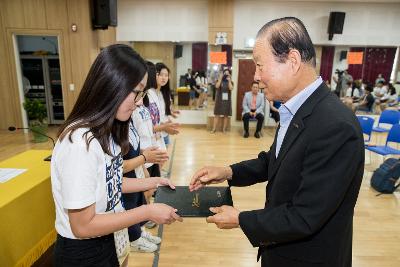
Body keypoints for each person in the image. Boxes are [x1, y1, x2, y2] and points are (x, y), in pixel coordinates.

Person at [190, 17, 364, 267]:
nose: (257, 76)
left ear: (292, 61)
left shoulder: (335, 126)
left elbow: (306, 216)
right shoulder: (299, 109)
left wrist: (241, 219)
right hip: (280, 249)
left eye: (260, 66)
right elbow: (276, 161)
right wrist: (228, 172)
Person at [51, 44, 182, 267]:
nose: (139, 101)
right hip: (83, 252)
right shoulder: (80, 143)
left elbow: (110, 183)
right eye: (136, 92)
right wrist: (147, 211)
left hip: (105, 238)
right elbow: (82, 226)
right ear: (113, 85)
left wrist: (152, 181)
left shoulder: (106, 131)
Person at [212, 68, 233, 133]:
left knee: (226, 115)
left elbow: (231, 88)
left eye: (227, 73)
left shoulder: (231, 82)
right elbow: (217, 86)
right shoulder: (219, 80)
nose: (226, 74)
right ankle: (214, 129)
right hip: (219, 99)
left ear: (230, 74)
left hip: (227, 100)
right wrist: (220, 78)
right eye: (225, 73)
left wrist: (229, 80)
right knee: (217, 114)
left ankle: (224, 129)